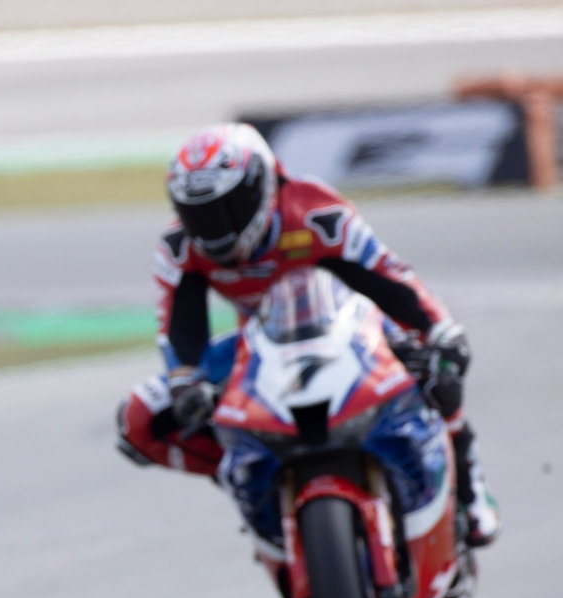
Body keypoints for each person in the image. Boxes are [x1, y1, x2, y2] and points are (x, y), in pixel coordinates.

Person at [115, 122, 500, 548]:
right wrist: (186, 381)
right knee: (140, 421)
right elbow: (179, 327)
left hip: (356, 329)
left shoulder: (315, 211)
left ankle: (468, 487)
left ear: (263, 186)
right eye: (197, 214)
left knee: (440, 373)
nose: (212, 228)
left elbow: (387, 278)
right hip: (259, 346)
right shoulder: (179, 246)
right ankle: (253, 476)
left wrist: (440, 331)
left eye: (228, 208)